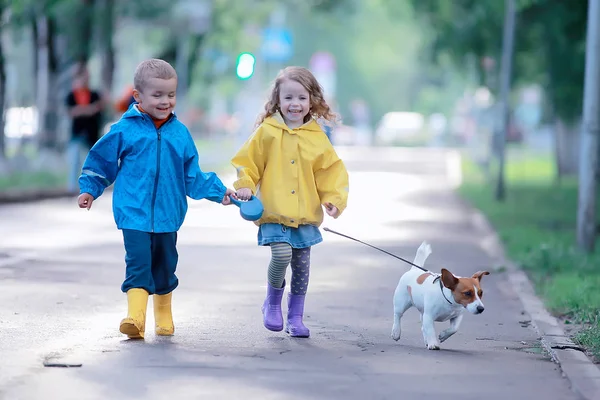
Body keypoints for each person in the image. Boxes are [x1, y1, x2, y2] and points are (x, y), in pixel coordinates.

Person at [77, 59, 236, 340]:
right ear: (138, 96)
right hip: (133, 211)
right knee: (137, 262)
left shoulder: (180, 134)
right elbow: (102, 161)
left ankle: (164, 315)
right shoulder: (125, 130)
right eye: (158, 95)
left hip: (168, 213)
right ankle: (135, 318)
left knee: (165, 264)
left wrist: (219, 191)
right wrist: (90, 188)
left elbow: (192, 175)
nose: (166, 101)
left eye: (171, 94)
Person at [232, 66, 349, 338]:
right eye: (288, 98)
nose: (294, 104)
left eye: (301, 98)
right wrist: (246, 186)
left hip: (305, 215)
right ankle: (272, 303)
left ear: (311, 101)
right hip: (274, 212)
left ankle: (295, 317)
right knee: (281, 254)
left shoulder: (317, 137)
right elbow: (248, 162)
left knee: (301, 266)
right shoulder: (268, 132)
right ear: (277, 100)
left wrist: (333, 199)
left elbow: (330, 170)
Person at [65, 63, 104, 194]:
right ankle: (71, 188)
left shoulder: (94, 94)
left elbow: (98, 109)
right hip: (77, 133)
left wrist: (81, 110)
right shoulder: (71, 95)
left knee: (92, 162)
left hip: (92, 133)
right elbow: (71, 112)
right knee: (75, 160)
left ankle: (91, 188)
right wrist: (89, 109)